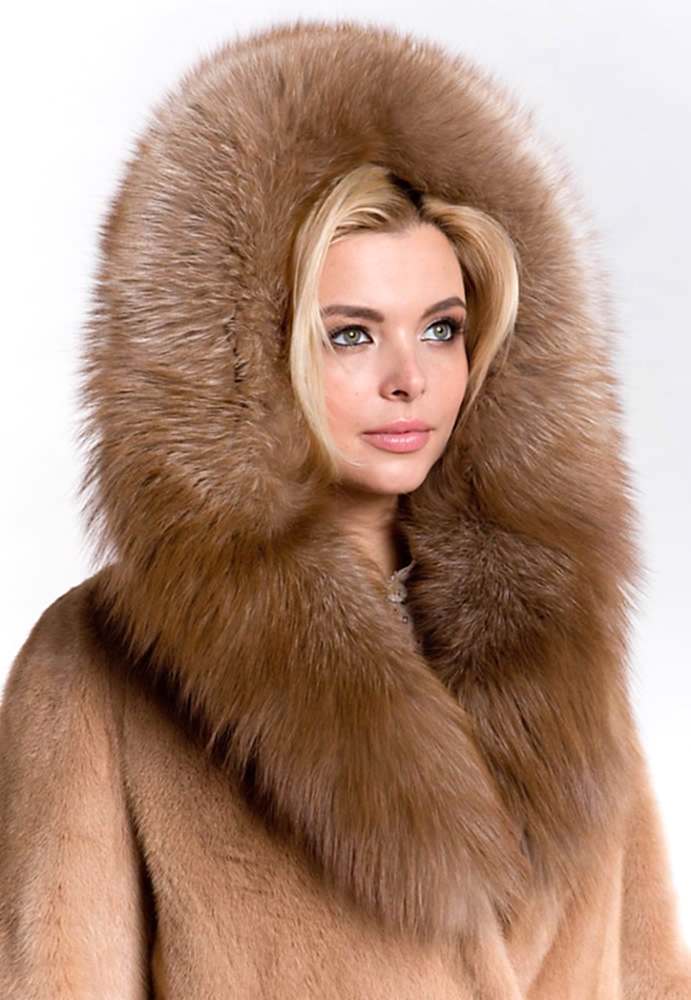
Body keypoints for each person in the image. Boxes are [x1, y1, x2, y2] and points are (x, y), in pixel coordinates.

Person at [1, 17, 689, 1000]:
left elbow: (648, 973)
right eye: (351, 335)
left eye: (441, 329)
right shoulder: (96, 661)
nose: (410, 378)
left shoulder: (561, 646)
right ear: (250, 357)